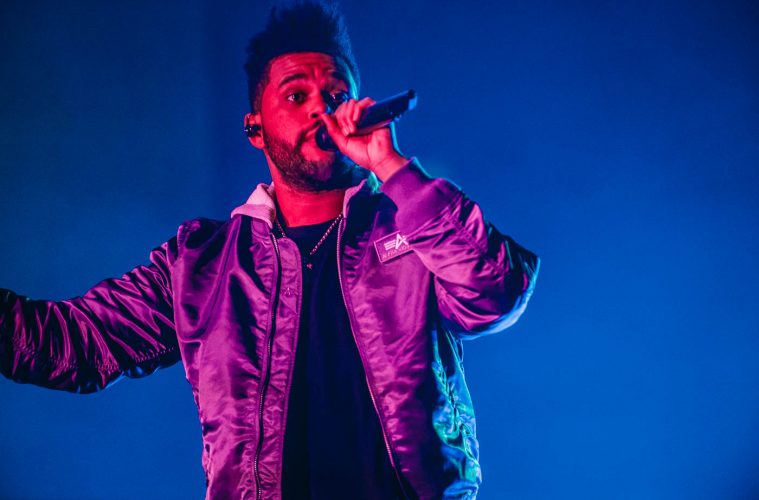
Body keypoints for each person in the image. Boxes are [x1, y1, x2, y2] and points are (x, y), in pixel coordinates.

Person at [0, 1, 540, 498]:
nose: (320, 108)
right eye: (296, 95)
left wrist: (390, 166)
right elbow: (68, 345)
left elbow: (497, 291)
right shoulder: (201, 264)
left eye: (336, 94)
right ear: (254, 128)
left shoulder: (413, 224)